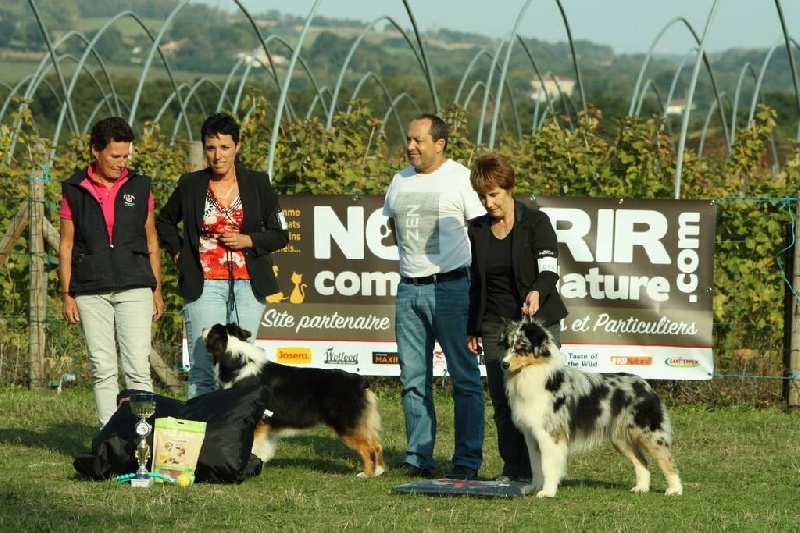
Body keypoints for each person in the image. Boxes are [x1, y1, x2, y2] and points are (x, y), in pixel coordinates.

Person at [382, 113, 486, 480]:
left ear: (439, 144)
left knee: (465, 379)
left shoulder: (462, 179)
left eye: (418, 140)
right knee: (413, 379)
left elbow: (481, 232)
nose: (410, 146)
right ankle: (418, 456)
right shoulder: (399, 180)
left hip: (454, 288)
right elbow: (393, 224)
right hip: (409, 288)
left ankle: (467, 460)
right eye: (408, 139)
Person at [156, 112, 289, 399]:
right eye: (211, 148)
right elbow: (164, 221)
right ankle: (199, 426)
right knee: (203, 367)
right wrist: (179, 253)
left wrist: (248, 240)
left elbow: (280, 233)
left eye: (225, 147)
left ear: (237, 146)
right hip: (203, 284)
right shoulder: (190, 184)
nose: (218, 156)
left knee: (243, 367)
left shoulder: (258, 183)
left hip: (248, 286)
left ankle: (237, 427)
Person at [466, 153, 568, 483]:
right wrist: (473, 326)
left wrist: (536, 291)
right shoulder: (477, 229)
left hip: (537, 325)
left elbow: (549, 271)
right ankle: (514, 470)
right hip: (496, 326)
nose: (489, 203)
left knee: (543, 402)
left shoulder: (536, 223)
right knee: (504, 401)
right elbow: (477, 283)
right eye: (482, 196)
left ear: (509, 188)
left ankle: (546, 473)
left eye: (494, 194)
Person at [58, 116, 164, 428]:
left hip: (136, 285)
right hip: (90, 288)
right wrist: (67, 294)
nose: (122, 162)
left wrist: (156, 289)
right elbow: (66, 245)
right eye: (115, 156)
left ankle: (143, 435)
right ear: (96, 151)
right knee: (102, 367)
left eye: (126, 156)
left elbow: (151, 239)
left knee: (137, 367)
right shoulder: (74, 189)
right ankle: (109, 436)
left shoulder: (140, 187)